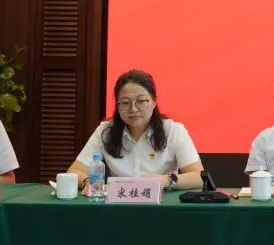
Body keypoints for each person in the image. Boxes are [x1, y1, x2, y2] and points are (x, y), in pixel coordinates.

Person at [65, 69, 204, 191]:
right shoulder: (106, 131)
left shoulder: (173, 131)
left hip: (161, 205)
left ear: (154, 102)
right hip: (119, 207)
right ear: (117, 105)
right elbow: (74, 171)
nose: (133, 109)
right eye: (125, 103)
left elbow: (198, 177)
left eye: (141, 101)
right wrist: (88, 183)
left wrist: (165, 180)